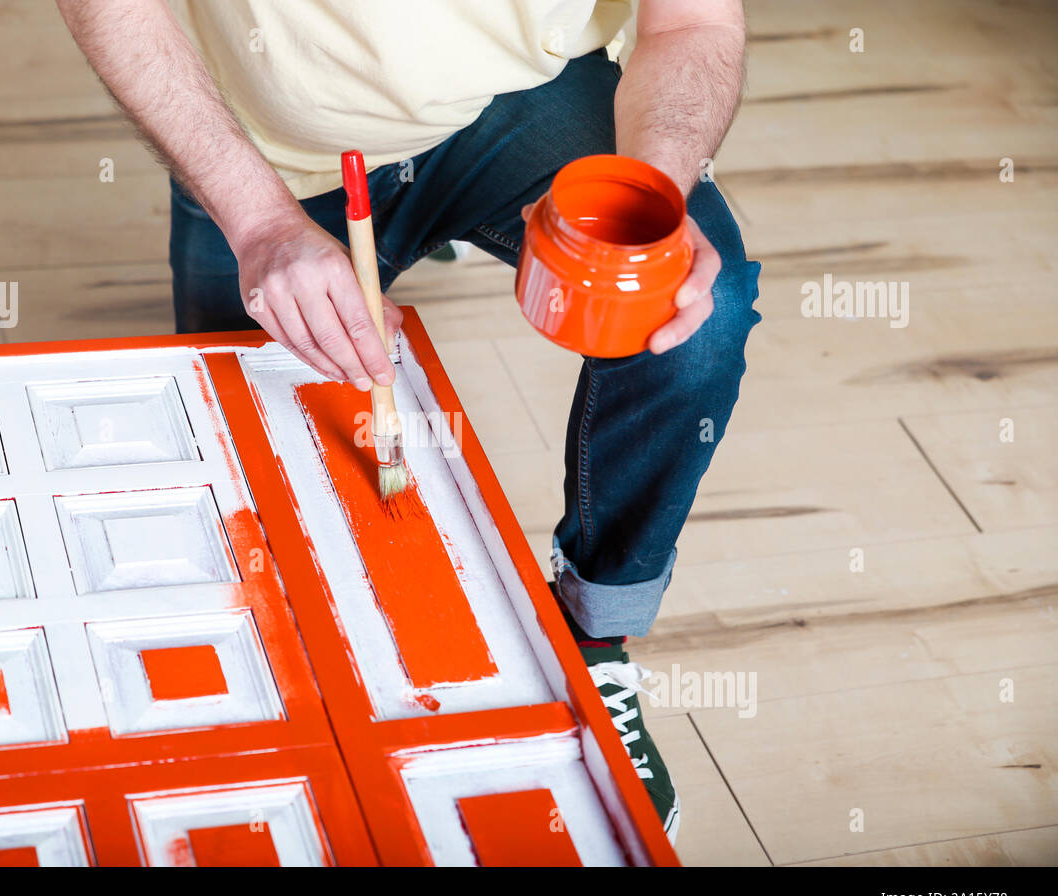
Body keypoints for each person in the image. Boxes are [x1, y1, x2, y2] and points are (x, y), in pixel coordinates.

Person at [58, 0, 760, 843]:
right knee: (244, 436)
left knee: (698, 318)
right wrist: (260, 223)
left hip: (512, 98)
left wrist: (654, 196)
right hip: (276, 145)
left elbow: (695, 26)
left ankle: (591, 630)